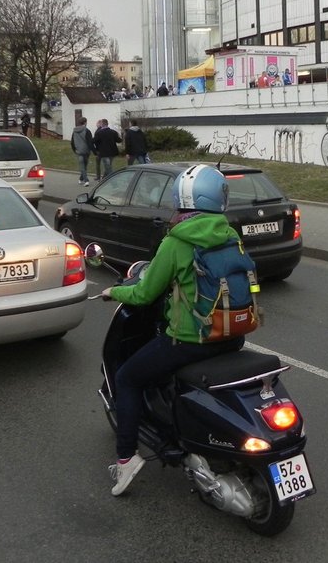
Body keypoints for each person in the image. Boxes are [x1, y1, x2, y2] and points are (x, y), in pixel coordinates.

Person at [100, 165, 246, 496]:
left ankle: (125, 461)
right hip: (232, 335)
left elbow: (144, 294)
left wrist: (114, 292)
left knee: (127, 377)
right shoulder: (229, 233)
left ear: (182, 196)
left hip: (191, 340)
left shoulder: (177, 240)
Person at [70, 117, 94, 186]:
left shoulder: (74, 131)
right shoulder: (87, 131)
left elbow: (72, 142)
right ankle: (86, 180)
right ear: (85, 122)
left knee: (83, 166)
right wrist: (94, 151)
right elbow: (90, 142)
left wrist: (74, 150)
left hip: (79, 151)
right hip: (86, 151)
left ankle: (81, 178)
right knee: (84, 166)